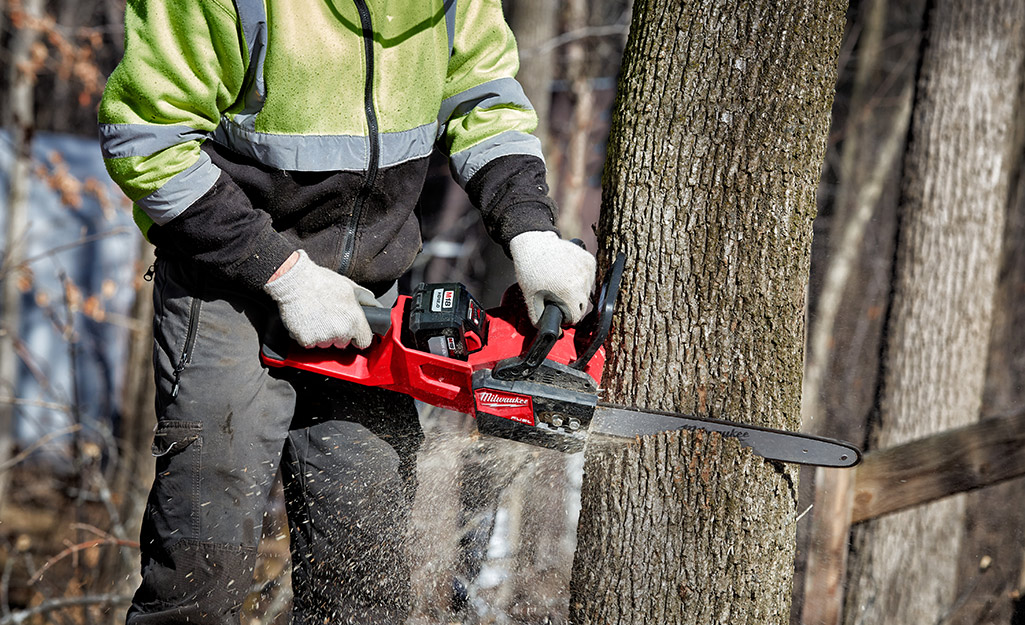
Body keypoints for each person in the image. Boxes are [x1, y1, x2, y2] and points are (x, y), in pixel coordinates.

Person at [98, 1, 596, 623]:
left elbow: (483, 101)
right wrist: (284, 274)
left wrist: (530, 232)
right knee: (202, 568)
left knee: (366, 572)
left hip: (368, 299)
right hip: (227, 285)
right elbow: (147, 140)